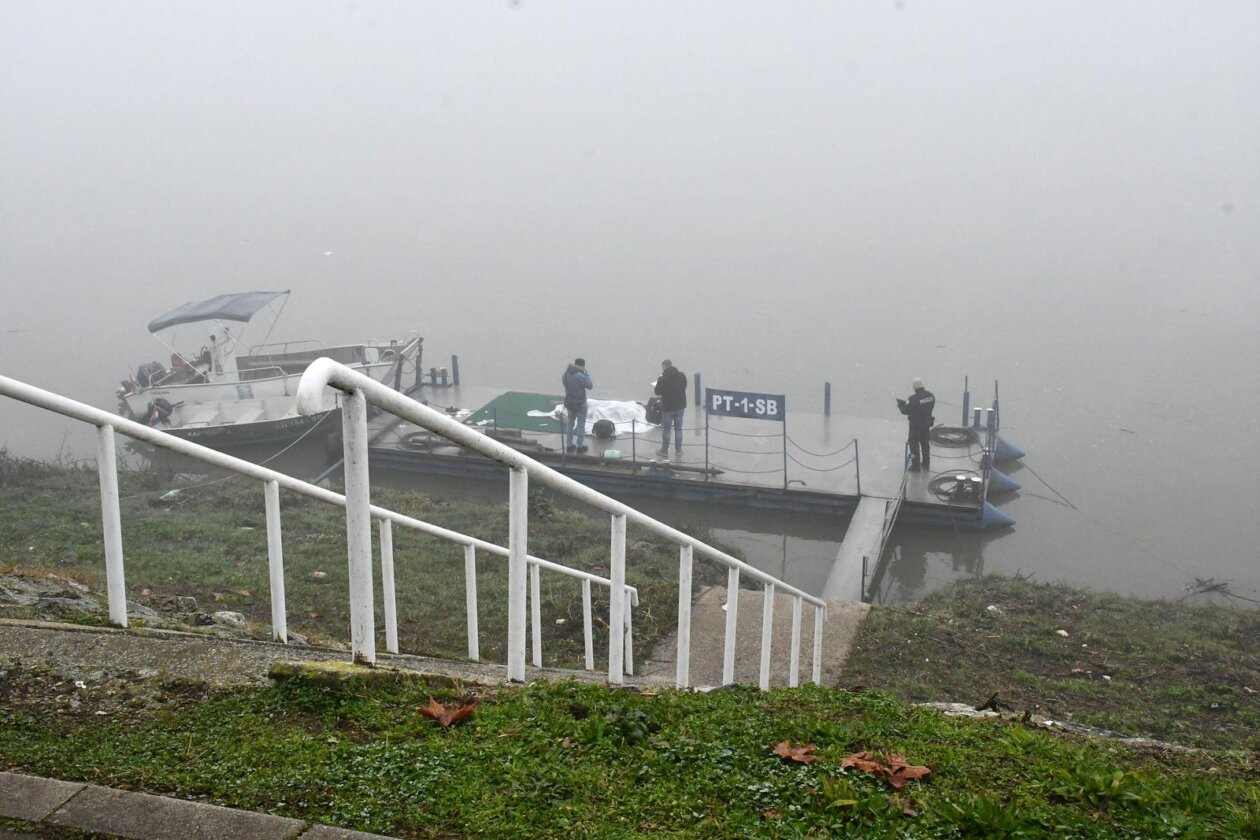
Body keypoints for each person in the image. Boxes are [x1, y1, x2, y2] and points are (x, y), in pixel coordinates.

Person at [896, 377, 935, 472]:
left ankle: (915, 465)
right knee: (925, 444)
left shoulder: (913, 399)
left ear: (914, 386)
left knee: (914, 445)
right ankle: (926, 463)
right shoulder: (931, 396)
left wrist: (900, 405)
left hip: (916, 425)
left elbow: (906, 410)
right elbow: (930, 407)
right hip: (926, 424)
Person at [654, 359, 687, 458]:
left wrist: (661, 383)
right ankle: (678, 450)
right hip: (680, 406)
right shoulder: (681, 375)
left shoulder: (662, 379)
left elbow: (657, 392)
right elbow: (684, 386)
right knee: (678, 429)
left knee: (666, 429)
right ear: (671, 365)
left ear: (664, 367)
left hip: (668, 408)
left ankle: (664, 450)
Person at [561, 357, 593, 453]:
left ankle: (569, 444)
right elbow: (590, 385)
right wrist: (586, 374)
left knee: (570, 423)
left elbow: (564, 384)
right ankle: (580, 445)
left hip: (570, 402)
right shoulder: (580, 375)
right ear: (582, 366)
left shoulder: (566, 374)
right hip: (580, 403)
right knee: (580, 424)